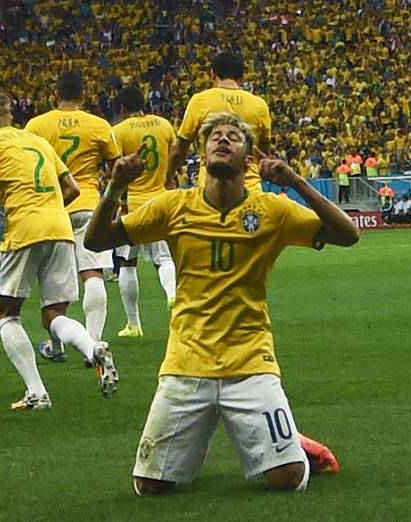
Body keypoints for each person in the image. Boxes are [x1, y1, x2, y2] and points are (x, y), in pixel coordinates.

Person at [85, 112, 356, 494]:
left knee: (288, 481)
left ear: (249, 159)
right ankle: (206, 435)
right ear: (202, 152)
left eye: (233, 136)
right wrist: (115, 187)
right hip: (186, 360)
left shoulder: (272, 211)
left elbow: (348, 235)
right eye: (214, 136)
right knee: (148, 487)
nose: (222, 140)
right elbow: (97, 242)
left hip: (250, 361)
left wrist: (295, 181)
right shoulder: (173, 206)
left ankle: (294, 443)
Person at [0, 91, 118, 409]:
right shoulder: (38, 142)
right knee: (53, 314)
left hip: (24, 229)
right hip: (60, 228)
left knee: (6, 314)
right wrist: (49, 210)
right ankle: (92, 348)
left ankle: (36, 392)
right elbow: (73, 188)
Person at [25, 71, 121, 352]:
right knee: (92, 272)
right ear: (84, 94)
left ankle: (57, 347)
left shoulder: (36, 125)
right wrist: (113, 199)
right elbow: (115, 166)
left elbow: (29, 165)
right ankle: (92, 343)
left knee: (54, 282)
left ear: (56, 94)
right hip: (89, 205)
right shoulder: (98, 125)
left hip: (53, 208)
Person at [110, 85, 177, 338]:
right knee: (165, 259)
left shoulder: (119, 131)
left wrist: (120, 199)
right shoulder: (164, 125)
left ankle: (134, 324)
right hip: (161, 198)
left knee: (128, 262)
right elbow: (174, 157)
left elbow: (116, 168)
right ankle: (172, 295)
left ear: (122, 108)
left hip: (133, 203)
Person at [168, 51, 271, 189]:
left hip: (211, 189)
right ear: (241, 78)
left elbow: (179, 151)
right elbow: (263, 155)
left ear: (212, 74)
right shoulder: (259, 105)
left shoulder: (200, 101)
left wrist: (168, 177)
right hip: (249, 188)